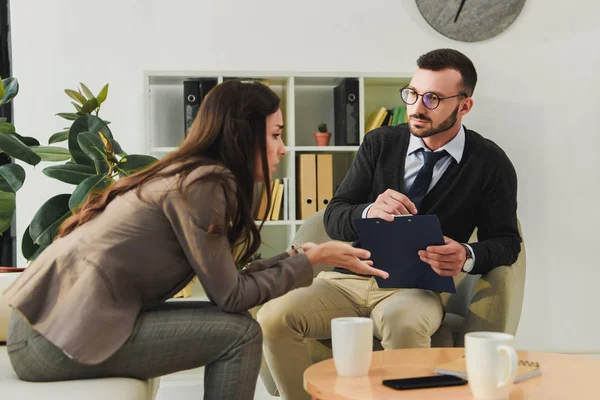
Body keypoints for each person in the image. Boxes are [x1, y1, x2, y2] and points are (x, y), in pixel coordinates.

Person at [2, 80, 388, 400]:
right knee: (240, 332)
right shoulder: (203, 185)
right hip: (52, 342)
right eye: (274, 134)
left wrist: (301, 256)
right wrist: (311, 261)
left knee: (236, 325)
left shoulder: (189, 174)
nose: (283, 148)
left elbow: (227, 281)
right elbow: (232, 297)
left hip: (51, 327)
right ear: (243, 134)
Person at [257, 48, 522, 399]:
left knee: (405, 322)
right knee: (273, 317)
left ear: (464, 105)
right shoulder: (380, 143)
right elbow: (335, 214)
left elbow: (505, 241)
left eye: (432, 98)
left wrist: (467, 255)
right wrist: (368, 211)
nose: (417, 107)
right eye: (412, 93)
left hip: (417, 290)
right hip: (346, 279)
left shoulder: (490, 162)